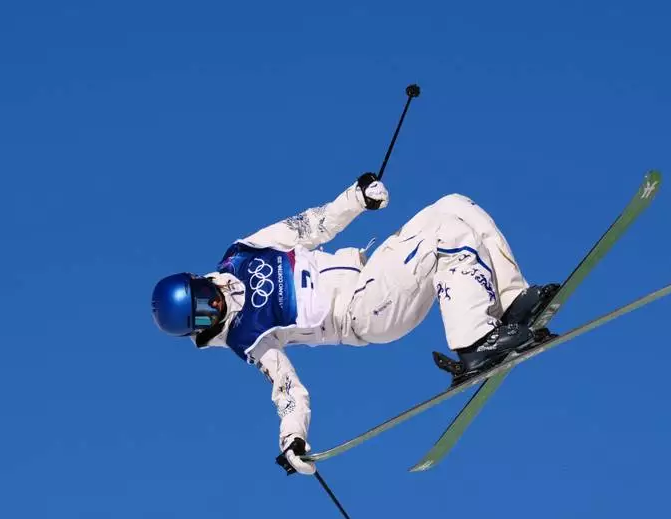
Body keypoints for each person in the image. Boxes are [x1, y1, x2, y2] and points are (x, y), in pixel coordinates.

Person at [150, 173, 558, 475]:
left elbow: (312, 225)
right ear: (198, 329)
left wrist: (357, 197)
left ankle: (510, 306)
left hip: (372, 269)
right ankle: (475, 344)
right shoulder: (247, 336)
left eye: (204, 297)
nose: (214, 306)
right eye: (203, 315)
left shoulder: (243, 252)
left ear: (199, 280)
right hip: (364, 313)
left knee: (454, 205)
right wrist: (292, 439)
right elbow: (288, 390)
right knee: (445, 235)